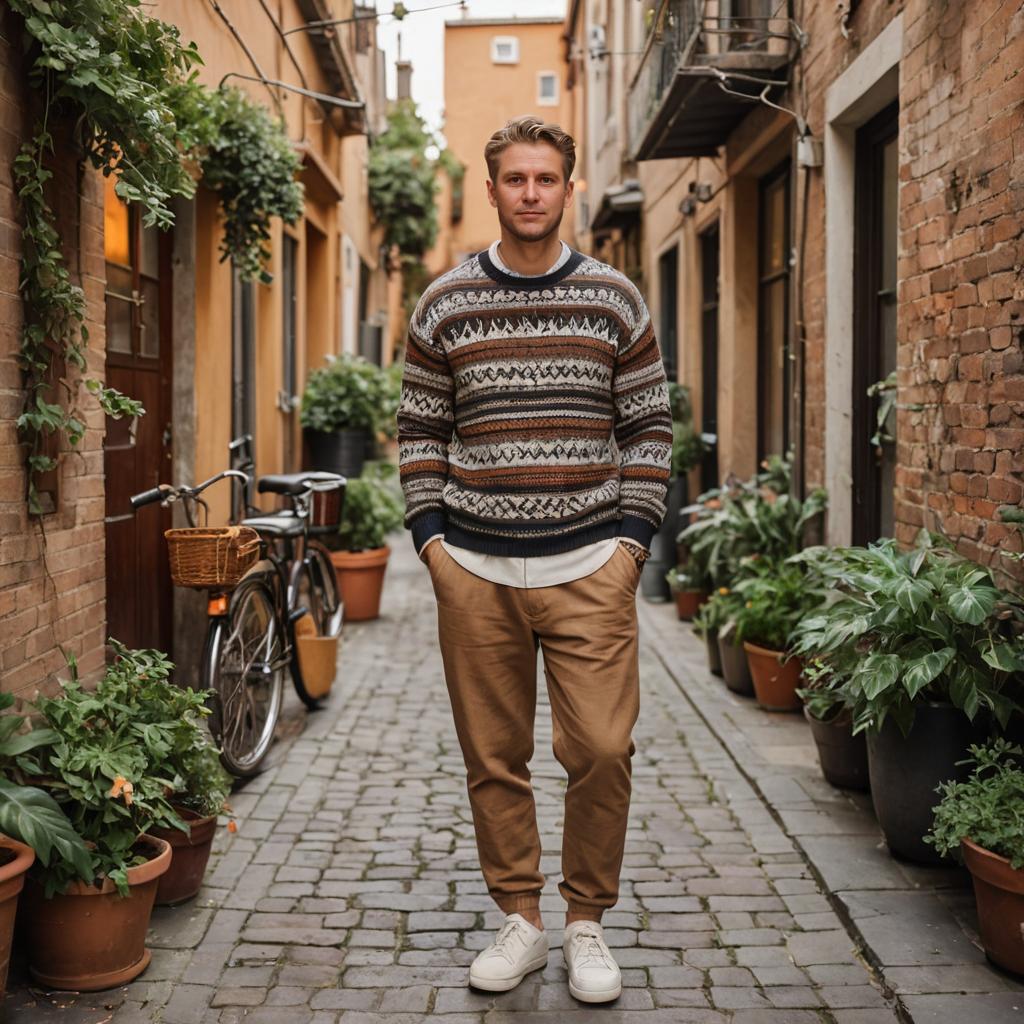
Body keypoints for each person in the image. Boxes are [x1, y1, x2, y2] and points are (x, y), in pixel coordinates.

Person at [396, 115, 672, 1004]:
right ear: (491, 189)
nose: (529, 194)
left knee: (601, 749)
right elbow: (418, 433)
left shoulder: (615, 299)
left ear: (568, 188)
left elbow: (650, 429)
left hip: (591, 561)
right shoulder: (442, 304)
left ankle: (586, 922)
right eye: (514, 179)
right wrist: (433, 545)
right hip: (472, 568)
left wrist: (631, 544)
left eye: (545, 179)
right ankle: (520, 918)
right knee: (494, 755)